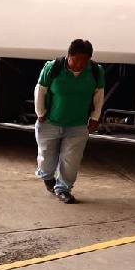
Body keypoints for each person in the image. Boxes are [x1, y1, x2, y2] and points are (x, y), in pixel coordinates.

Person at [34, 39, 105, 204]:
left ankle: (63, 189)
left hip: (78, 125)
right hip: (50, 123)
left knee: (71, 160)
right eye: (76, 60)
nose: (79, 65)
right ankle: (47, 178)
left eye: (84, 61)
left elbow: (99, 96)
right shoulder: (52, 68)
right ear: (68, 56)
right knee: (46, 158)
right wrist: (40, 113)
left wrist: (95, 118)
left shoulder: (96, 71)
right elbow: (40, 90)